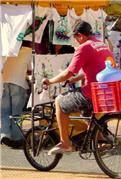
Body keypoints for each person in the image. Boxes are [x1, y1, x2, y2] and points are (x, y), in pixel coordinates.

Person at [42, 21, 114, 155]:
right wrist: (74, 80)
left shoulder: (84, 48)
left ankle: (65, 143)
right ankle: (100, 139)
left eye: (75, 38)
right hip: (106, 90)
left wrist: (50, 81)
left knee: (59, 101)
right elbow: (94, 70)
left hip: (92, 92)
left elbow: (68, 72)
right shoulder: (102, 45)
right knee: (85, 113)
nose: (76, 41)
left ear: (80, 35)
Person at [1, 45, 32, 148]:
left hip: (4, 82)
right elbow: (30, 69)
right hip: (18, 83)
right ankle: (17, 138)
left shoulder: (6, 47)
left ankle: (5, 134)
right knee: (16, 113)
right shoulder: (28, 51)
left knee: (4, 112)